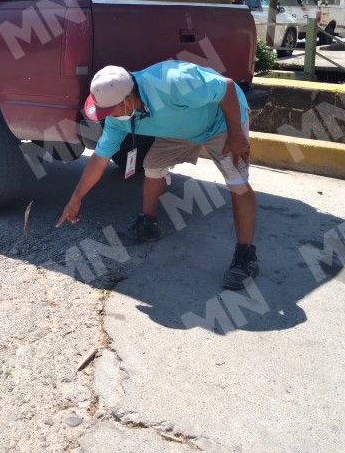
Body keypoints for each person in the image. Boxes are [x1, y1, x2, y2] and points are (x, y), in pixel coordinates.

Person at [56, 61, 258, 290]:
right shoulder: (117, 120)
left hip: (221, 121)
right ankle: (148, 225)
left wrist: (236, 134)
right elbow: (99, 160)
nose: (106, 117)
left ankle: (245, 255)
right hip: (179, 128)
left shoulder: (172, 81)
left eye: (109, 111)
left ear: (129, 101)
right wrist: (76, 199)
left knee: (237, 183)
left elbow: (227, 87)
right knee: (152, 166)